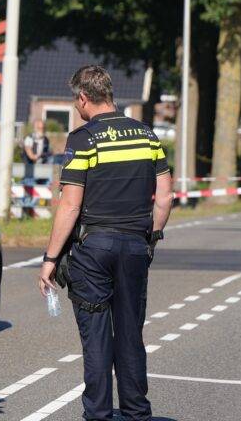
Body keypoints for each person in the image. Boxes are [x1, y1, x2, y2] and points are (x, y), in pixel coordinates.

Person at [38, 65, 173, 421]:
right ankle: (136, 412)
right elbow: (165, 197)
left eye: (75, 100)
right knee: (130, 333)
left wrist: (50, 258)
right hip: (134, 246)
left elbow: (70, 205)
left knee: (97, 337)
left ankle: (98, 414)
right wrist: (152, 237)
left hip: (93, 249)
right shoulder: (146, 135)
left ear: (83, 97)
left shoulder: (82, 139)